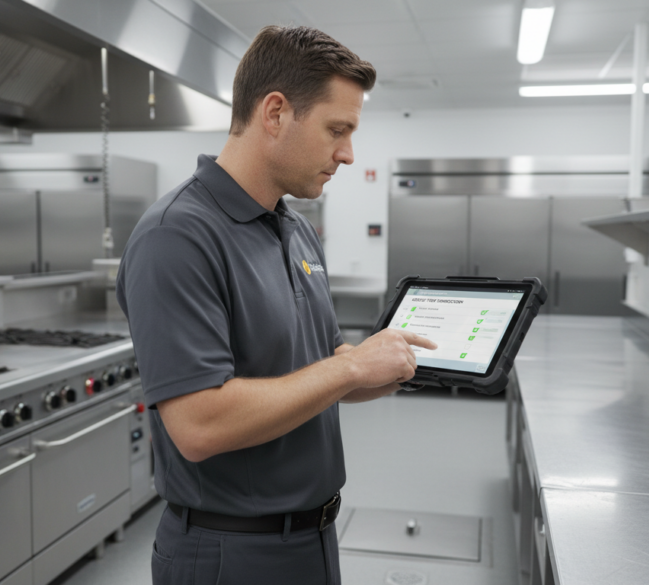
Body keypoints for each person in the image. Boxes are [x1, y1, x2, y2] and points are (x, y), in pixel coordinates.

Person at [117, 24, 437, 585]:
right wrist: (351, 368)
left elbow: (322, 364)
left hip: (313, 539)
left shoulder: (295, 229)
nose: (347, 153)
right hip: (230, 553)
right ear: (275, 113)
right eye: (336, 129)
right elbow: (198, 424)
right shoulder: (177, 235)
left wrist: (394, 366)